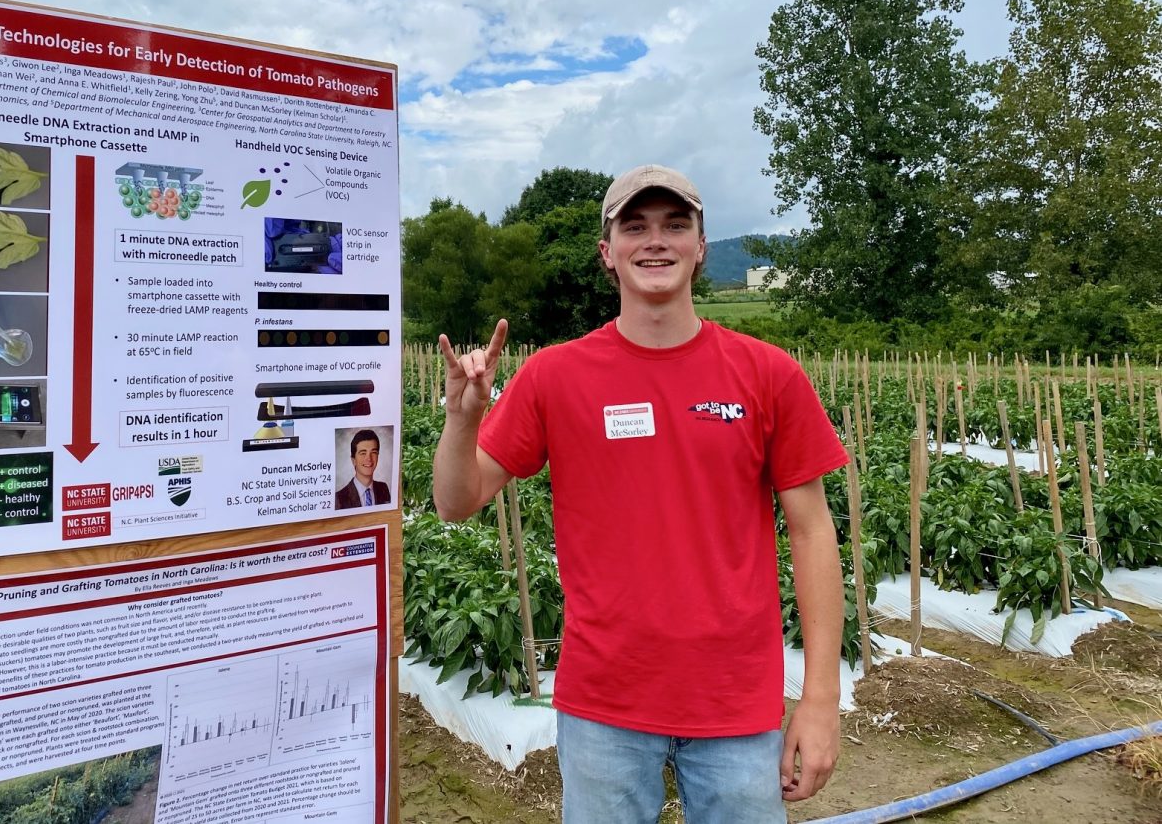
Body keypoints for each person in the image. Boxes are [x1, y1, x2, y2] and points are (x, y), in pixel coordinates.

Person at [433, 165, 847, 824]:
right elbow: (457, 501)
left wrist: (821, 698)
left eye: (675, 225)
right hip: (605, 705)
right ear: (608, 252)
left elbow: (813, 531)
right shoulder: (555, 377)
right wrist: (462, 421)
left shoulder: (768, 375)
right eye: (635, 226)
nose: (655, 242)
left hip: (735, 704)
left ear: (702, 245)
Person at [335, 428, 391, 509]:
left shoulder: (383, 488)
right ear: (353, 460)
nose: (369, 458)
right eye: (363, 453)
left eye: (374, 452)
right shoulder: (340, 498)